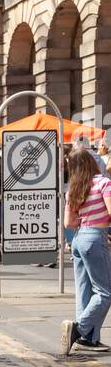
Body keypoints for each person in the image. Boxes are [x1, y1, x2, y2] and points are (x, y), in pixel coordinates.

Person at [61, 147, 111, 356]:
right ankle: (78, 329)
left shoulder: (73, 189)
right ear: (92, 162)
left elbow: (68, 222)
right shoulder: (103, 183)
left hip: (79, 238)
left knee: (84, 291)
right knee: (105, 292)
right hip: (95, 238)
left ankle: (89, 339)